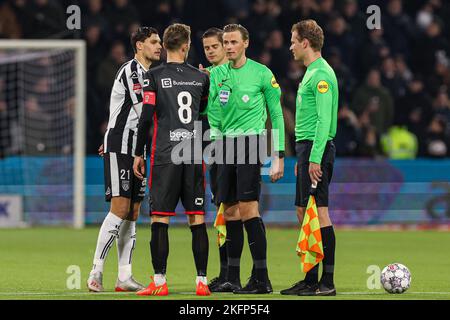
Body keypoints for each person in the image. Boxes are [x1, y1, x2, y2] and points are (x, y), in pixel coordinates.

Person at [132, 23, 211, 296]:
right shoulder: (202, 78)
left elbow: (145, 119)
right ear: (187, 46)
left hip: (165, 155)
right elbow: (203, 115)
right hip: (193, 155)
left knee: (160, 218)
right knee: (197, 219)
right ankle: (202, 283)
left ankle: (160, 281)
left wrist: (138, 153)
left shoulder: (153, 76)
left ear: (164, 46)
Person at [208, 24, 285, 294]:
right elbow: (212, 111)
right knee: (228, 211)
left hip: (250, 143)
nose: (228, 47)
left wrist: (278, 155)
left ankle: (262, 278)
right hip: (224, 145)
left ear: (246, 43)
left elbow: (276, 115)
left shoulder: (262, 74)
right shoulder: (216, 74)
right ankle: (233, 277)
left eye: (233, 42)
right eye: (225, 42)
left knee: (248, 209)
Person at [87, 27, 162, 292]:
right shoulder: (132, 71)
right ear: (139, 45)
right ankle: (96, 271)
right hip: (121, 146)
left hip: (137, 149)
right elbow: (146, 109)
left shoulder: (149, 75)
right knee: (119, 209)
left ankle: (124, 276)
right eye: (153, 42)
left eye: (160, 42)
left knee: (132, 212)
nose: (159, 46)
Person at [280, 19, 338, 296]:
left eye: (293, 40)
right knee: (304, 212)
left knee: (319, 213)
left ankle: (326, 282)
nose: (290, 46)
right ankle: (310, 278)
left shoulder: (321, 75)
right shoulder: (312, 72)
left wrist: (314, 159)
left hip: (317, 149)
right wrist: (303, 159)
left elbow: (324, 120)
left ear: (305, 42)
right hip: (307, 151)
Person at [199, 27, 230, 292]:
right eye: (207, 47)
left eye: (214, 47)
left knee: (241, 211)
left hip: (235, 147)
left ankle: (240, 272)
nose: (210, 51)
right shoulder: (205, 78)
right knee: (221, 208)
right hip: (214, 149)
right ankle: (225, 273)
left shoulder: (231, 75)